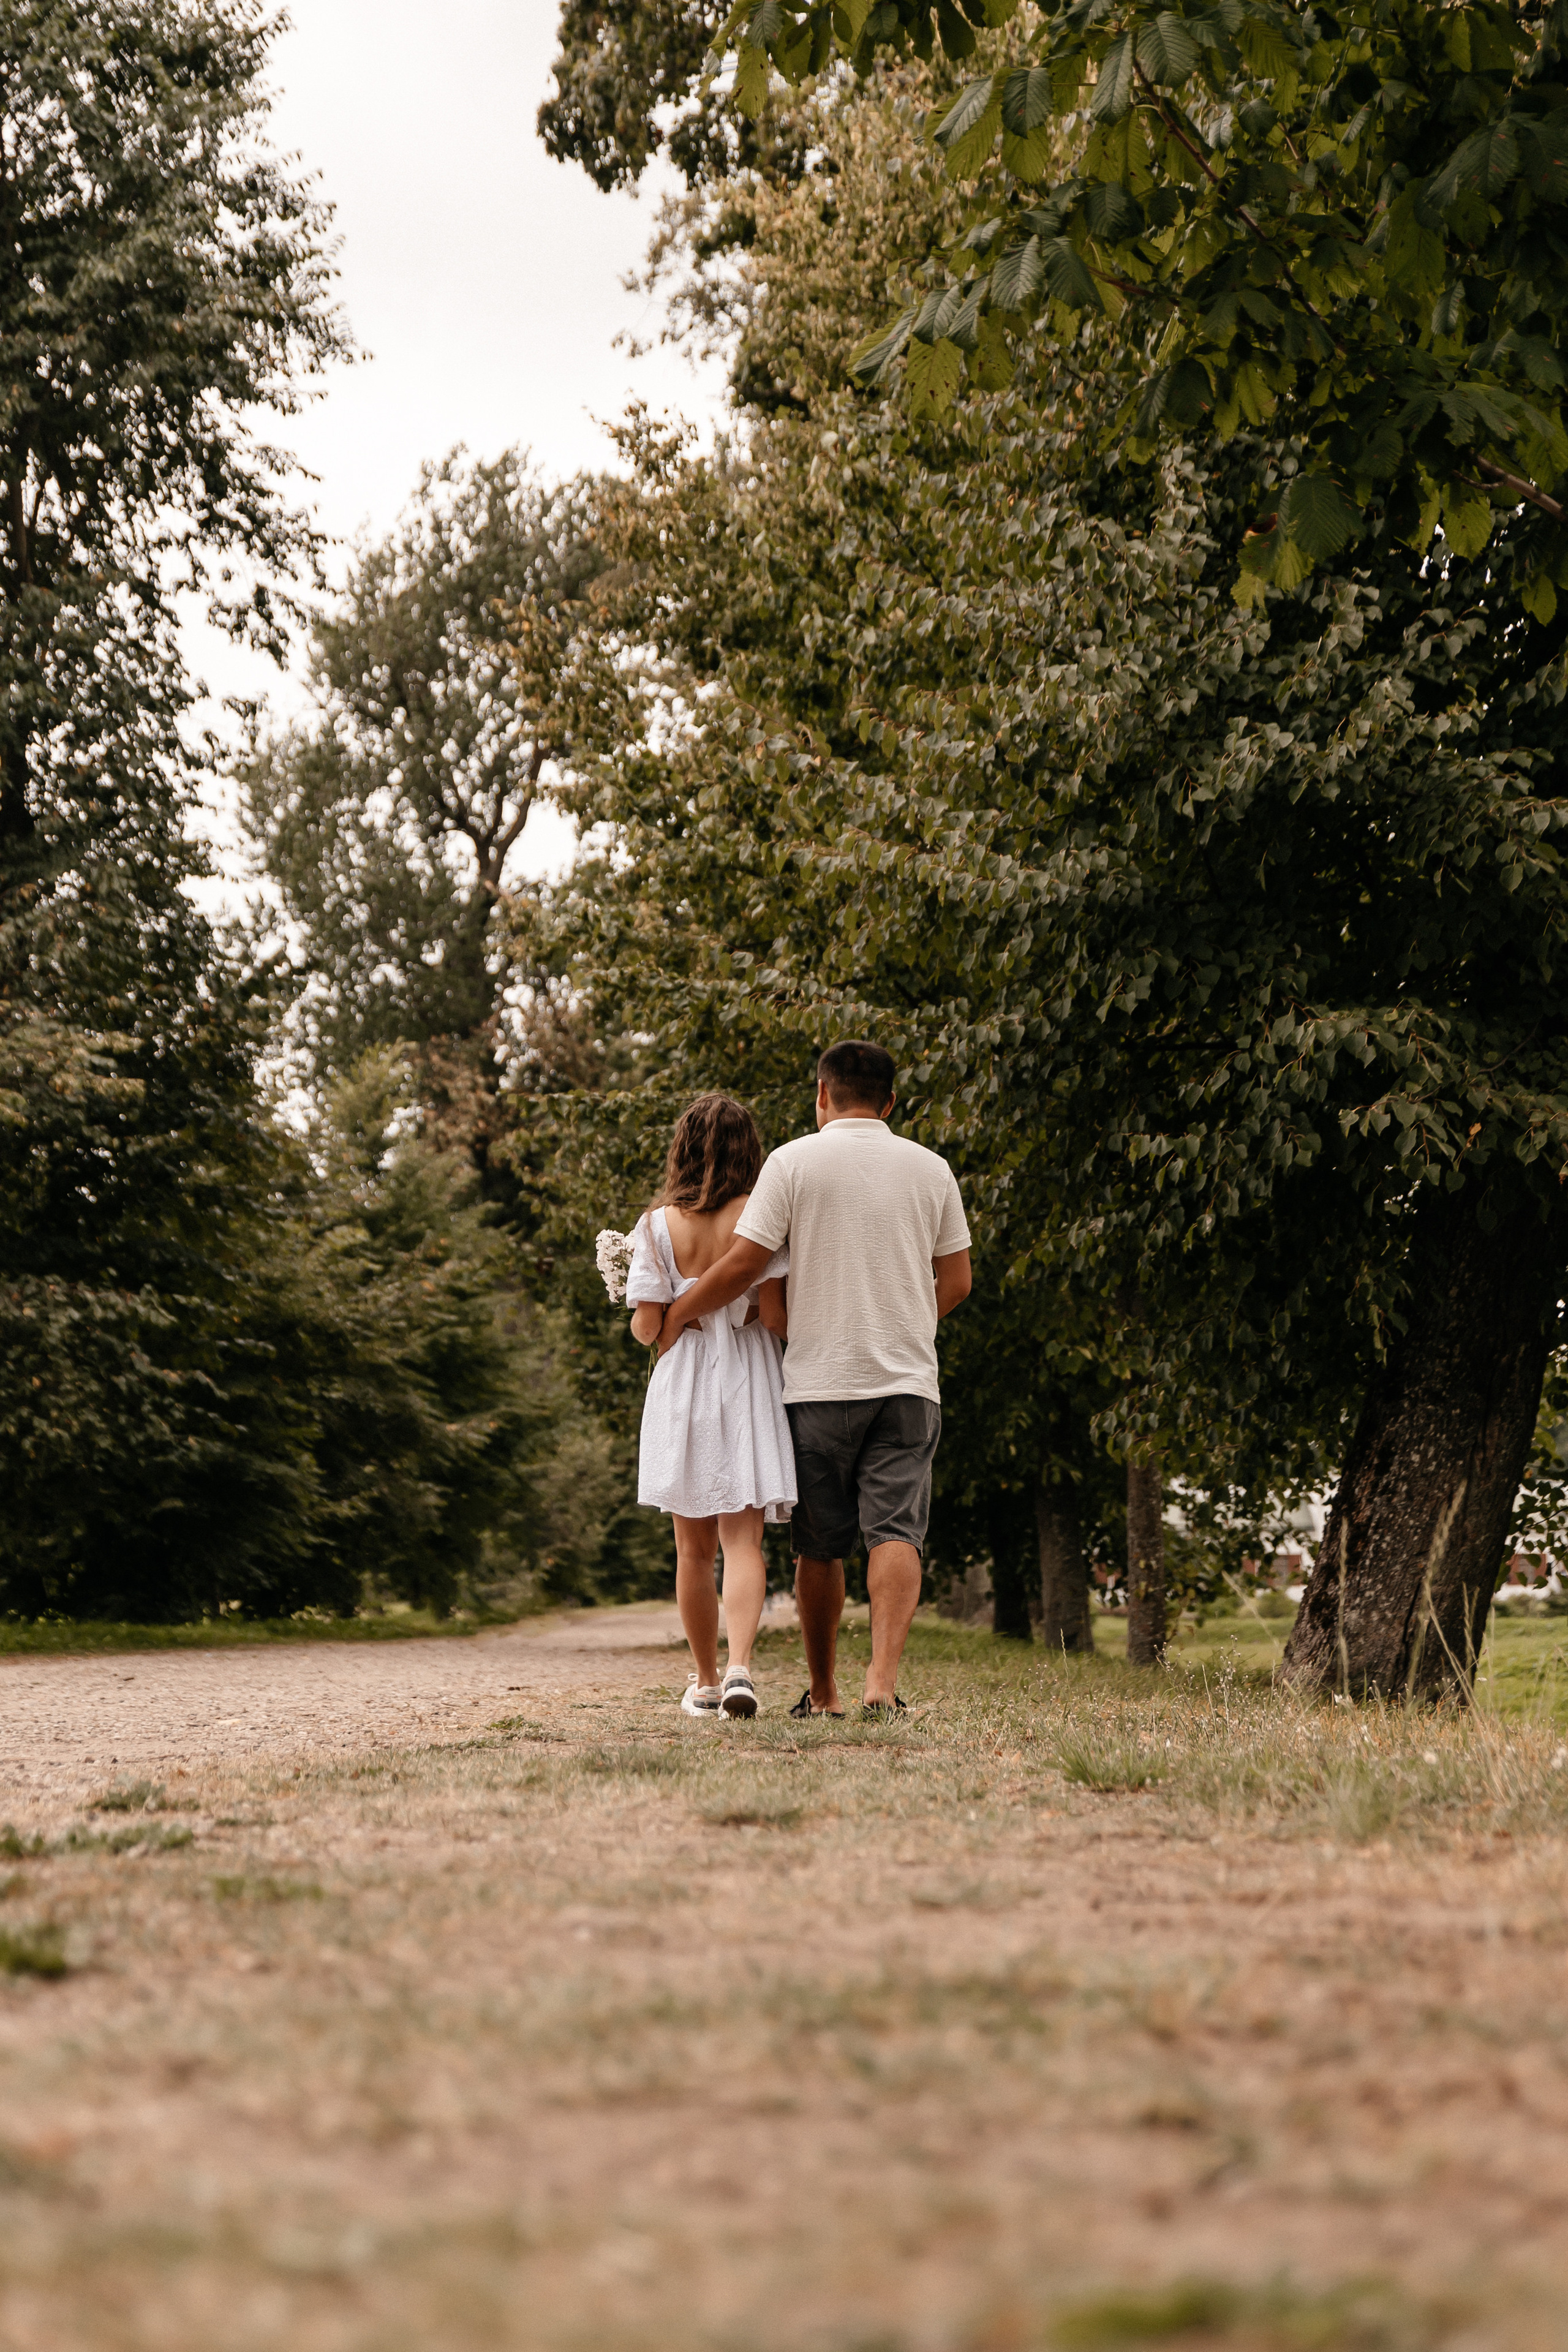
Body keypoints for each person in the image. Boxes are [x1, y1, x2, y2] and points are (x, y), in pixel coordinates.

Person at [656, 1042, 971, 1719]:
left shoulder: (791, 1162)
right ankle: (879, 1687)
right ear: (889, 1102)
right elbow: (958, 1281)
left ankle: (824, 1694)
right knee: (896, 1532)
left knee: (820, 1543)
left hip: (817, 1383)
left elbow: (744, 1267)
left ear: (821, 1095)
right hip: (907, 1382)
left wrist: (676, 1315)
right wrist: (908, 1322)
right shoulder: (932, 1169)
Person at [625, 1094, 793, 1719]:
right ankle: (741, 1667)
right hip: (747, 1376)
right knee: (744, 1540)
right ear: (749, 1149)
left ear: (682, 1148)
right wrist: (740, 1311)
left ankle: (702, 1681)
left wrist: (666, 1311)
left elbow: (647, 1329)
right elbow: (775, 1318)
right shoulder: (761, 1214)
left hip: (685, 1383)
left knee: (692, 1550)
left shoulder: (656, 1226)